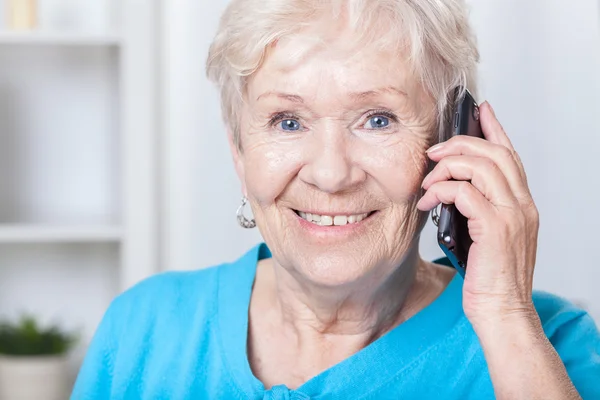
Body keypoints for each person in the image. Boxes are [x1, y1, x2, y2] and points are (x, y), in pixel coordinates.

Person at [72, 0, 600, 399]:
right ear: (239, 150)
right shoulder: (143, 330)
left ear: (450, 145)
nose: (330, 173)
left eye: (378, 119)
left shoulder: (545, 342)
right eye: (287, 121)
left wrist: (505, 314)